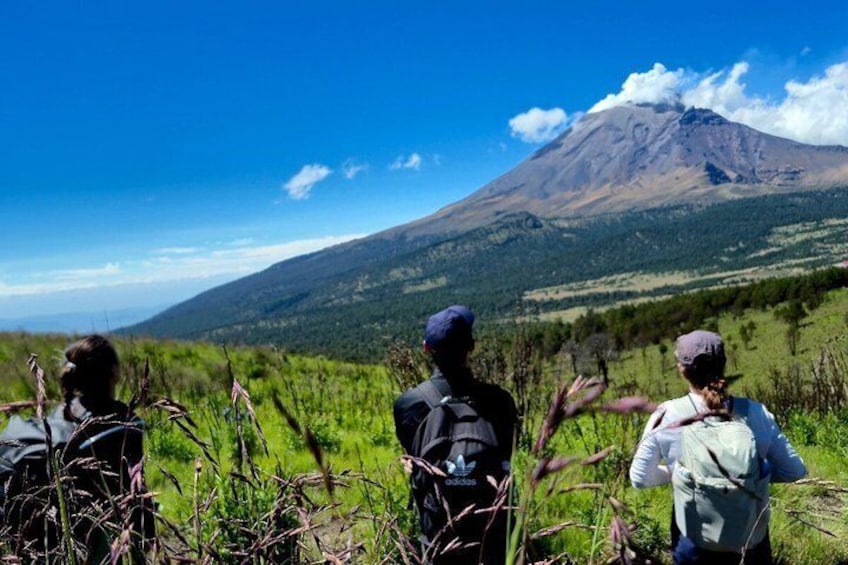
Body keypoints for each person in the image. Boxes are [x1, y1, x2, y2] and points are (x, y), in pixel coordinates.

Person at [629, 330, 807, 564]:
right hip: (750, 541)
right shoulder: (756, 412)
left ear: (682, 369)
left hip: (693, 543)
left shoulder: (666, 414)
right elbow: (795, 471)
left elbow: (640, 478)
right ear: (724, 364)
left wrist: (678, 474)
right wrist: (748, 475)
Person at [0, 335, 154, 562]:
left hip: (48, 535)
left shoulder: (61, 412)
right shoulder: (126, 423)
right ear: (113, 372)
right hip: (96, 535)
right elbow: (134, 490)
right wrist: (146, 538)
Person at [394, 305, 518, 565]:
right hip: (494, 537)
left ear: (426, 349)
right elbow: (508, 453)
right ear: (471, 346)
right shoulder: (501, 401)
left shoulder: (408, 404)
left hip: (439, 537)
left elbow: (413, 458)